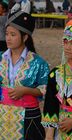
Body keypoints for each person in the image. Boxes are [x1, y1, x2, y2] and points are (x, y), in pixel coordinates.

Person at [0, 7, 50, 140]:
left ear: (25, 37)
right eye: (7, 34)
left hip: (28, 118)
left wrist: (26, 90)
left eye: (13, 34)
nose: (8, 38)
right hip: (2, 117)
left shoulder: (39, 63)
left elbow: (45, 89)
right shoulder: (0, 58)